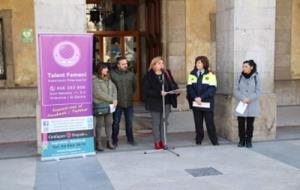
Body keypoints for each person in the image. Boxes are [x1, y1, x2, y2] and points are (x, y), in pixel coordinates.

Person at [143, 56, 179, 149]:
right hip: (155, 102)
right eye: (159, 63)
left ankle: (164, 141)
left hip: (166, 101)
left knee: (164, 122)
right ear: (154, 65)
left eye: (162, 63)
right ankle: (157, 142)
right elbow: (146, 90)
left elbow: (173, 84)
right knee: (156, 123)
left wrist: (175, 90)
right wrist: (158, 93)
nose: (161, 65)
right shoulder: (148, 76)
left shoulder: (166, 73)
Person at [186, 56, 219, 145]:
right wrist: (195, 97)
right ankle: (199, 139)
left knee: (210, 123)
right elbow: (189, 88)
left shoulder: (211, 75)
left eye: (199, 62)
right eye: (196, 62)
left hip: (207, 103)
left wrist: (201, 98)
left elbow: (212, 89)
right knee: (198, 123)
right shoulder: (191, 74)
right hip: (196, 102)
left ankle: (214, 140)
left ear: (204, 63)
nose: (197, 64)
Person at [234, 60, 261, 148]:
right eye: (243, 66)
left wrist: (249, 98)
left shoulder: (256, 77)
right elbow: (235, 90)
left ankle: (249, 140)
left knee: (250, 123)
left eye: (246, 66)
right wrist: (243, 98)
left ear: (251, 67)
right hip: (241, 103)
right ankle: (241, 140)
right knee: (240, 123)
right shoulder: (239, 76)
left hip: (252, 103)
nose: (244, 68)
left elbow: (258, 91)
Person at [110, 57, 136, 146]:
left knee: (129, 122)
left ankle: (130, 139)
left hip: (129, 103)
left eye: (126, 63)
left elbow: (134, 87)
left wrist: (129, 96)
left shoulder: (131, 74)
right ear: (118, 65)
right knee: (115, 123)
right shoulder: (112, 74)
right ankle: (114, 140)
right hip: (117, 103)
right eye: (123, 64)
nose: (126, 65)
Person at [93, 63, 118, 151]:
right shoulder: (94, 80)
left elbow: (114, 89)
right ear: (99, 69)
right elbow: (98, 93)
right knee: (99, 125)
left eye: (107, 68)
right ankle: (98, 142)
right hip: (100, 105)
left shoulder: (108, 79)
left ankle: (109, 141)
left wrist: (115, 99)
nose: (106, 70)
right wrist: (112, 99)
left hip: (109, 106)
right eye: (104, 68)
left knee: (109, 124)